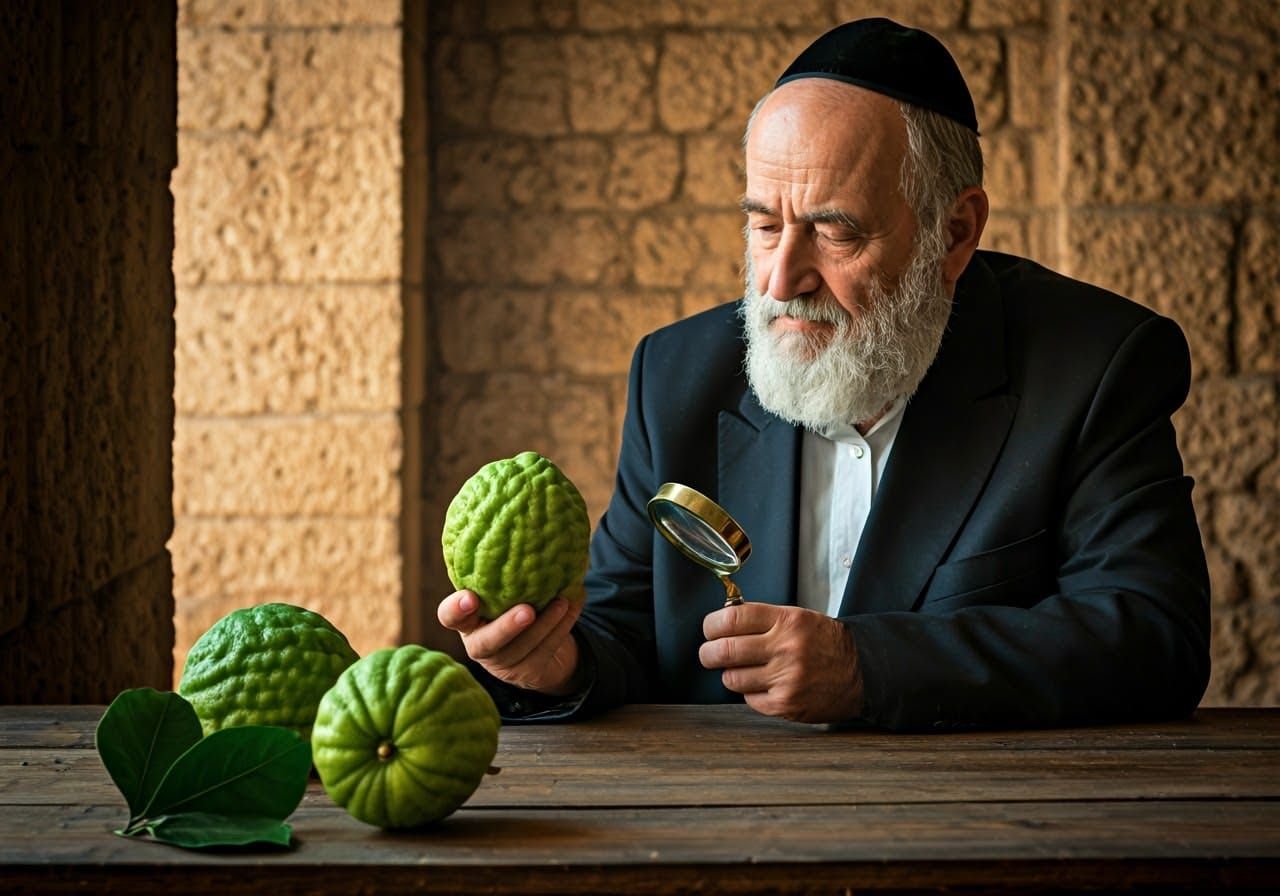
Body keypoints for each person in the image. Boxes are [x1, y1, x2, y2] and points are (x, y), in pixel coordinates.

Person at [437, 18, 1211, 730]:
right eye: (764, 225)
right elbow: (625, 629)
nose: (779, 280)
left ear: (956, 231)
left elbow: (1151, 636)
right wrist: (555, 664)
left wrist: (868, 667)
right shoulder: (674, 375)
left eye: (833, 233)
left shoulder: (1095, 365)